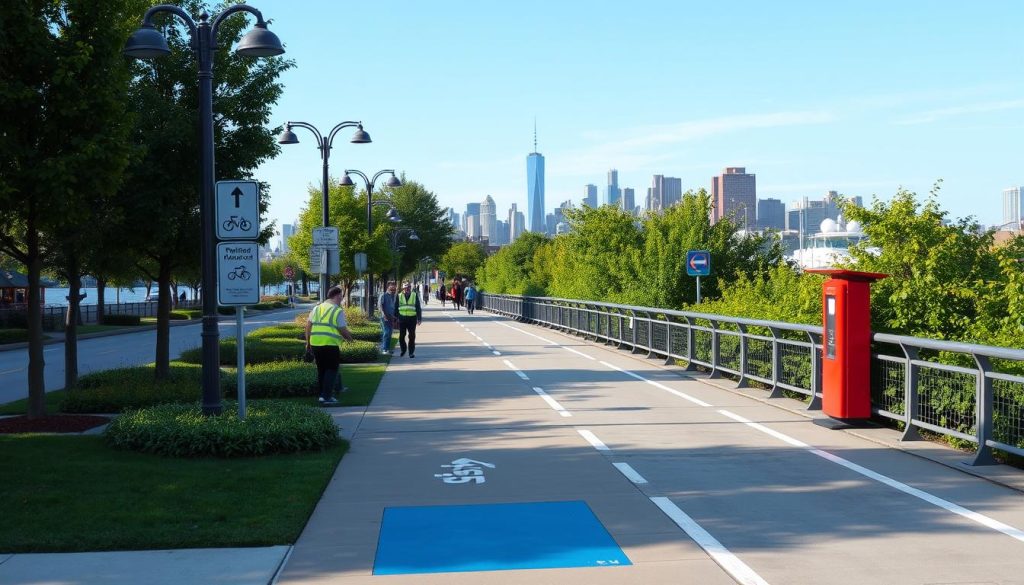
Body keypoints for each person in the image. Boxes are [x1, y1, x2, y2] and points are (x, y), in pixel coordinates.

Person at [304, 286, 354, 405]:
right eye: (341, 296)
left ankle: (322, 395)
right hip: (330, 344)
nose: (341, 299)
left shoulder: (317, 308)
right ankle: (327, 397)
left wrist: (308, 342)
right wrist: (350, 339)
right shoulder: (337, 310)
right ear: (337, 296)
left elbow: (308, 326)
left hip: (316, 343)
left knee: (321, 370)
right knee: (331, 369)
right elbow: (342, 328)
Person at [396, 281, 422, 358]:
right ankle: (403, 350)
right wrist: (395, 318)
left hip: (412, 319)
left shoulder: (414, 295)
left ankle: (411, 352)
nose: (407, 289)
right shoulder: (399, 296)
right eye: (405, 288)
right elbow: (396, 307)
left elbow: (418, 307)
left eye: (408, 287)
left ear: (410, 288)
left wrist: (419, 318)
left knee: (412, 336)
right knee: (401, 336)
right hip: (402, 319)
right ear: (403, 288)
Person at [378, 281, 398, 355]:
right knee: (386, 333)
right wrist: (384, 315)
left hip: (391, 318)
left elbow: (394, 307)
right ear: (388, 287)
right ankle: (384, 349)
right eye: (392, 287)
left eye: (394, 288)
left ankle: (387, 349)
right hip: (384, 317)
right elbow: (380, 306)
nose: (393, 290)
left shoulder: (394, 296)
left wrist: (395, 317)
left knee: (390, 333)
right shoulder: (383, 295)